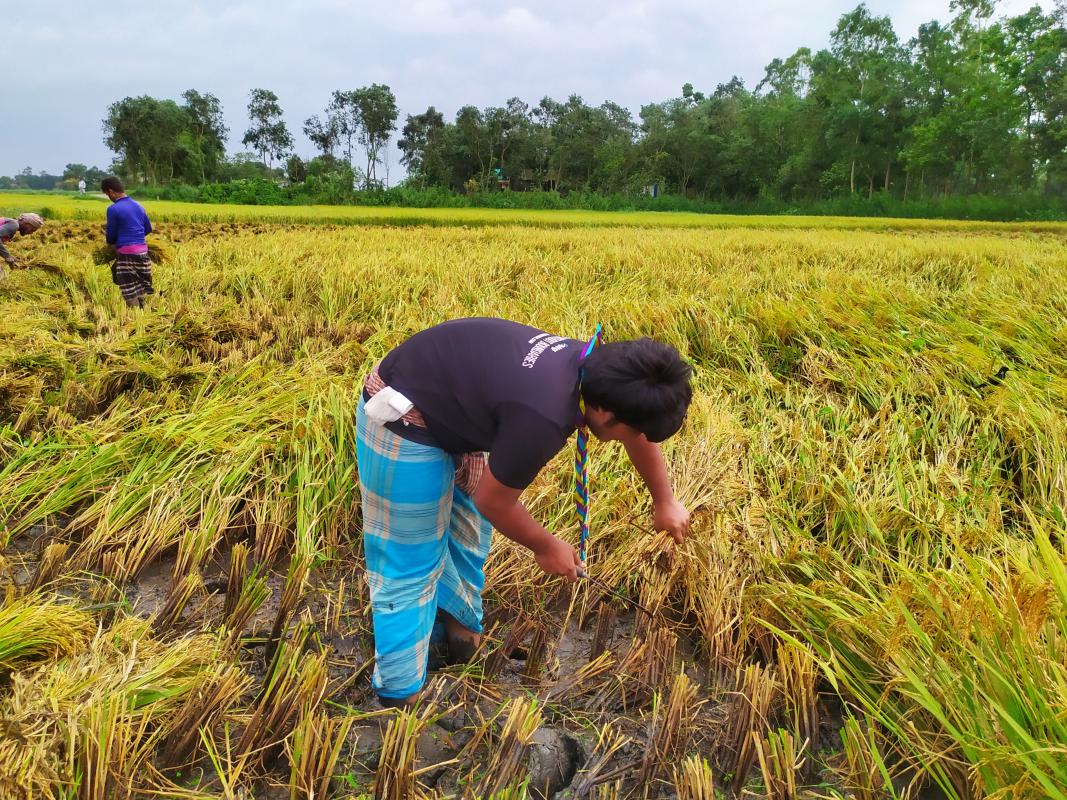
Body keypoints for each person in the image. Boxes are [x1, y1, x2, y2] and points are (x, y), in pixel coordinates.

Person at [356, 317, 693, 707]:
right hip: (402, 415)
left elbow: (636, 428)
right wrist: (546, 545)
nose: (630, 440)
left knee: (467, 536)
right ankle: (399, 699)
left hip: (454, 410)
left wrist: (664, 500)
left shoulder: (598, 369)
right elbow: (493, 501)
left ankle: (457, 642)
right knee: (410, 564)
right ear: (602, 412)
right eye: (629, 432)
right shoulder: (544, 416)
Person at [102, 175, 154, 308]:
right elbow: (148, 229)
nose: (109, 197)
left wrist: (116, 242)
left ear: (111, 191)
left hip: (126, 255)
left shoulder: (113, 209)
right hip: (143, 254)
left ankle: (137, 321)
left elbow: (111, 237)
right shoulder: (139, 206)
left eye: (108, 194)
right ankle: (143, 316)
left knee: (130, 293)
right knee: (139, 289)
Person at [0, 212, 44, 279]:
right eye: (32, 229)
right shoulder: (14, 225)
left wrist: (11, 258)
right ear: (26, 223)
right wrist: (7, 256)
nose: (31, 233)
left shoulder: (12, 226)